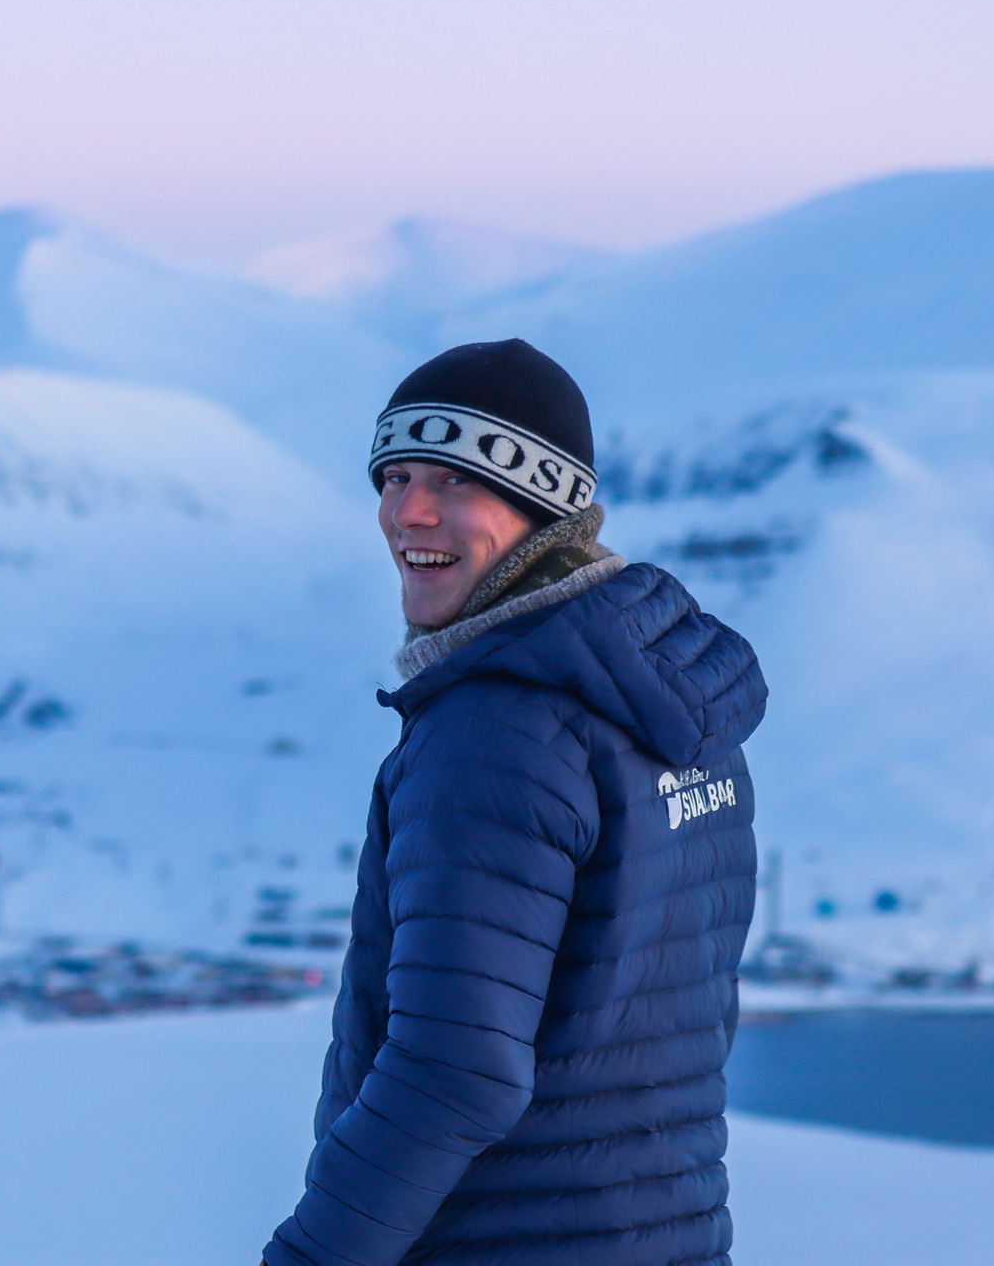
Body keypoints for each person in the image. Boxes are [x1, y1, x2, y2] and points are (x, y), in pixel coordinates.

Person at [262, 340, 767, 1266]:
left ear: (545, 508)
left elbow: (453, 1073)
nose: (406, 512)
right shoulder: (679, 712)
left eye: (456, 481)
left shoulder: (495, 732)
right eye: (395, 475)